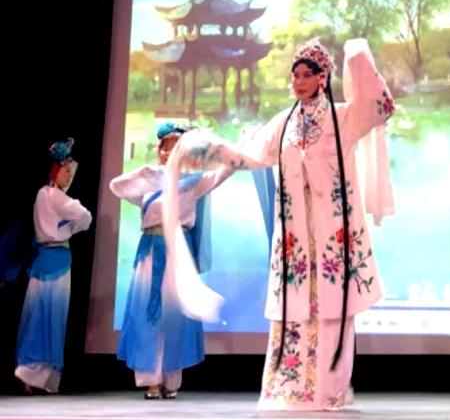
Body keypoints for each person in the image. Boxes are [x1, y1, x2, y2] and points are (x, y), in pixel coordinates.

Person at [161, 37, 395, 411]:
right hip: (295, 237)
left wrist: (358, 56)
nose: (298, 82)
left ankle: (328, 390)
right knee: (294, 311)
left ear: (322, 78)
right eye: (295, 75)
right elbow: (250, 156)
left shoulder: (344, 117)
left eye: (306, 75)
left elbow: (380, 107)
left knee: (332, 311)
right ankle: (290, 389)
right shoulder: (283, 123)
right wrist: (206, 148)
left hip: (332, 236)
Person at [110, 122, 233, 399]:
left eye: (175, 148)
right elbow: (116, 186)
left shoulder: (193, 184)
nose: (169, 152)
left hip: (178, 252)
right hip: (150, 250)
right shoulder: (149, 184)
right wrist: (151, 175)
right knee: (148, 313)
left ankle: (171, 380)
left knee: (175, 316)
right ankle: (150, 380)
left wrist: (212, 147)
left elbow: (225, 171)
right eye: (165, 148)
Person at [15, 138, 92, 394]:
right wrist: (70, 227)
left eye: (70, 171)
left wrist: (66, 226)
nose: (69, 175)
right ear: (55, 170)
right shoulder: (55, 196)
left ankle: (36, 373)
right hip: (57, 258)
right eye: (65, 170)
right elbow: (85, 216)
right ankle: (34, 372)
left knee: (37, 313)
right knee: (51, 316)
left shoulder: (42, 195)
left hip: (42, 259)